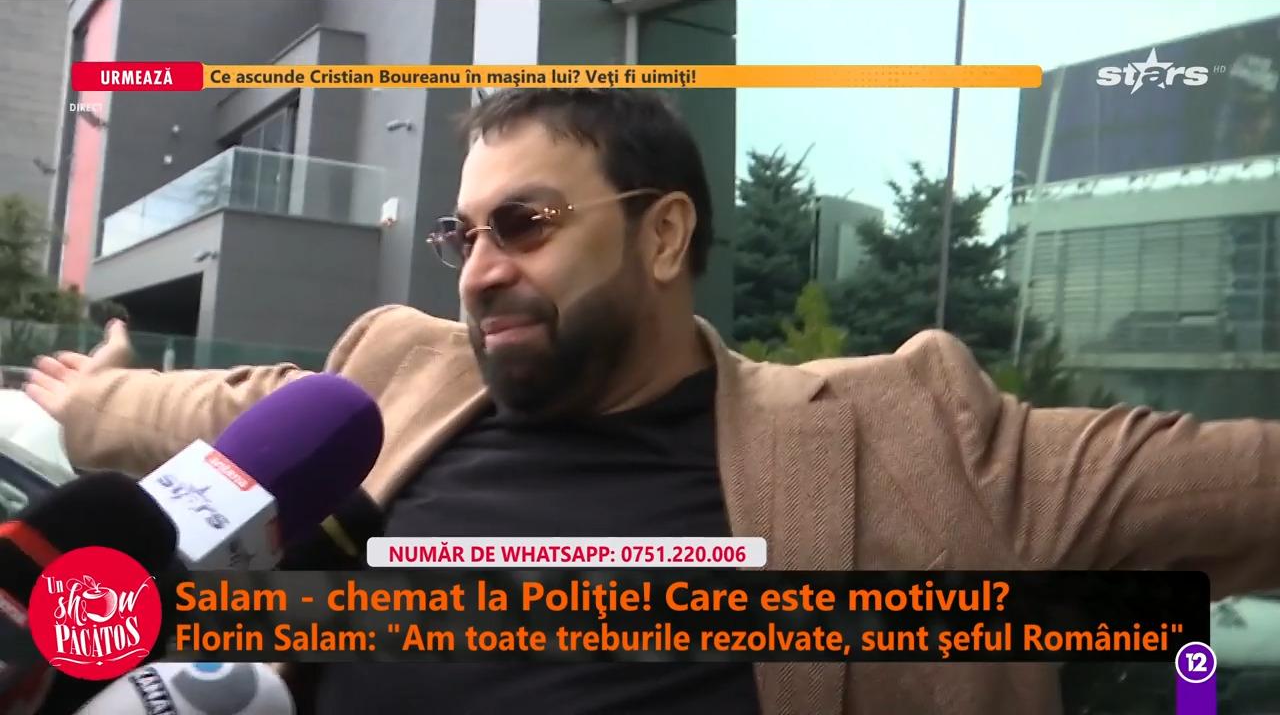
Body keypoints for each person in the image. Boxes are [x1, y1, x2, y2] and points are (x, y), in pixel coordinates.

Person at [22, 88, 1280, 715]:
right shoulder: (401, 368)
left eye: (524, 224)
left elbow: (1227, 484)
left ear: (663, 235)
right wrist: (98, 396)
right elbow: (221, 418)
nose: (476, 270)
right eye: (463, 233)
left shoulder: (904, 434)